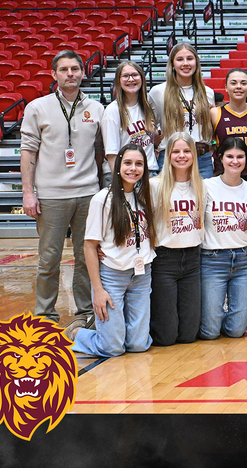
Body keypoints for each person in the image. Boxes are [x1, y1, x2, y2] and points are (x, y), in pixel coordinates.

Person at [20, 49, 104, 326]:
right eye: (65, 69)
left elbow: (101, 152)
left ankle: (85, 313)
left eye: (75, 69)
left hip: (88, 194)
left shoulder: (96, 108)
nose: (71, 74)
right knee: (49, 259)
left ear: (83, 72)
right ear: (54, 74)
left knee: (86, 258)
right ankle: (44, 316)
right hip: (51, 195)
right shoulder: (38, 107)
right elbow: (28, 152)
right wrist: (28, 193)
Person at [64, 144, 157, 357]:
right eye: (128, 163)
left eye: (139, 164)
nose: (133, 168)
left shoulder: (145, 197)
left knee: (138, 345)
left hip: (142, 276)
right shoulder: (102, 199)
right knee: (113, 348)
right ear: (117, 166)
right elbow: (89, 246)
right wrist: (98, 290)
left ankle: (117, 330)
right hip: (112, 276)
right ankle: (78, 333)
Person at [199, 137, 247, 340]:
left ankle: (241, 315)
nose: (235, 161)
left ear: (246, 159)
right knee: (210, 332)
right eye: (230, 156)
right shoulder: (206, 186)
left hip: (243, 261)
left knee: (236, 332)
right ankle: (215, 317)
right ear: (220, 158)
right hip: (212, 259)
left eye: (240, 157)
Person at [147, 132, 204, 346]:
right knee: (166, 337)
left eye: (187, 151)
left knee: (189, 335)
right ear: (167, 155)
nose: (182, 156)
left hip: (192, 261)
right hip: (164, 260)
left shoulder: (202, 186)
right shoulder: (154, 186)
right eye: (176, 151)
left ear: (194, 155)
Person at [149, 42, 216, 178]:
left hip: (202, 158)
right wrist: (155, 137)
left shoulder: (207, 92)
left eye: (190, 59)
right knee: (169, 199)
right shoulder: (158, 92)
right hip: (170, 157)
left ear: (196, 62)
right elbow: (150, 126)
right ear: (172, 64)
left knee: (203, 199)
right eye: (180, 59)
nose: (185, 63)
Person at [100, 60, 158, 180]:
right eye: (125, 76)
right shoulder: (112, 110)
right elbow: (112, 154)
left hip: (149, 171)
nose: (131, 79)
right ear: (118, 81)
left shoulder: (149, 106)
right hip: (125, 174)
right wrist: (120, 184)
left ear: (142, 78)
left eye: (135, 75)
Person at [211, 68, 247, 185]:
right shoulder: (215, 113)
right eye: (233, 83)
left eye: (243, 83)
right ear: (226, 87)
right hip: (225, 176)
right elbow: (210, 144)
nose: (238, 87)